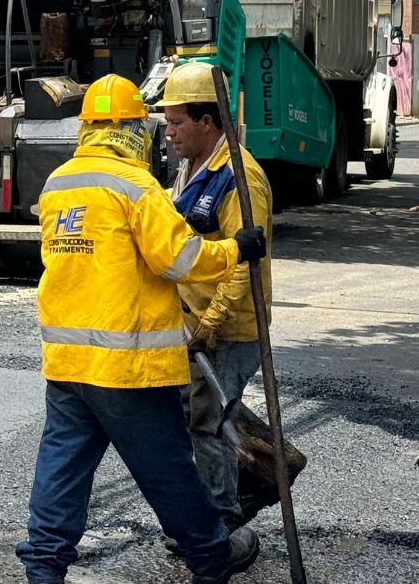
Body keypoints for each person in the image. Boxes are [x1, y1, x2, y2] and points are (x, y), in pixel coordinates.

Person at [16, 74, 266, 584]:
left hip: (68, 365)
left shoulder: (59, 183)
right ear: (131, 127)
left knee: (60, 476)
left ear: (87, 128)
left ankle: (43, 570)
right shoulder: (135, 184)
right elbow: (178, 257)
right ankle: (213, 558)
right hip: (129, 367)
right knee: (170, 475)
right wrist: (237, 249)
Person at [160, 61, 274, 531]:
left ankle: (220, 522)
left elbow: (245, 262)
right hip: (192, 323)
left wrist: (212, 322)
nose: (167, 132)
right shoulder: (191, 169)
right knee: (209, 415)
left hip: (228, 329)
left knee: (204, 423)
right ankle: (266, 466)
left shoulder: (240, 180)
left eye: (176, 121)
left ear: (207, 122)